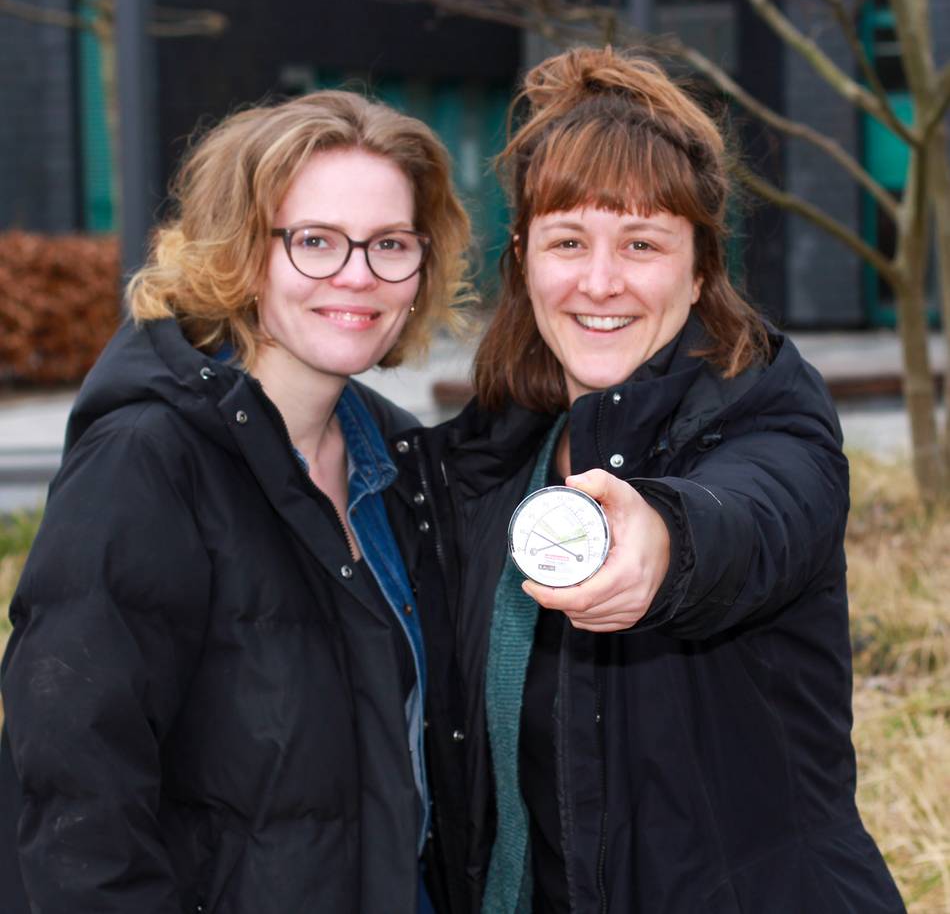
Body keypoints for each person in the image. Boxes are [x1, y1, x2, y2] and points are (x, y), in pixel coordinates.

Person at [410, 47, 905, 912]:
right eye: (569, 241)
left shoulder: (771, 416)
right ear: (524, 257)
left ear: (702, 267)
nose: (601, 282)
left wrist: (662, 541)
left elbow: (753, 519)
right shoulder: (487, 460)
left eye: (641, 242)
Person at [0, 89, 469, 913]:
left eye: (390, 243)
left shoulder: (394, 462)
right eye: (315, 241)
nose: (357, 275)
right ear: (243, 252)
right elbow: (76, 806)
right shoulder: (147, 464)